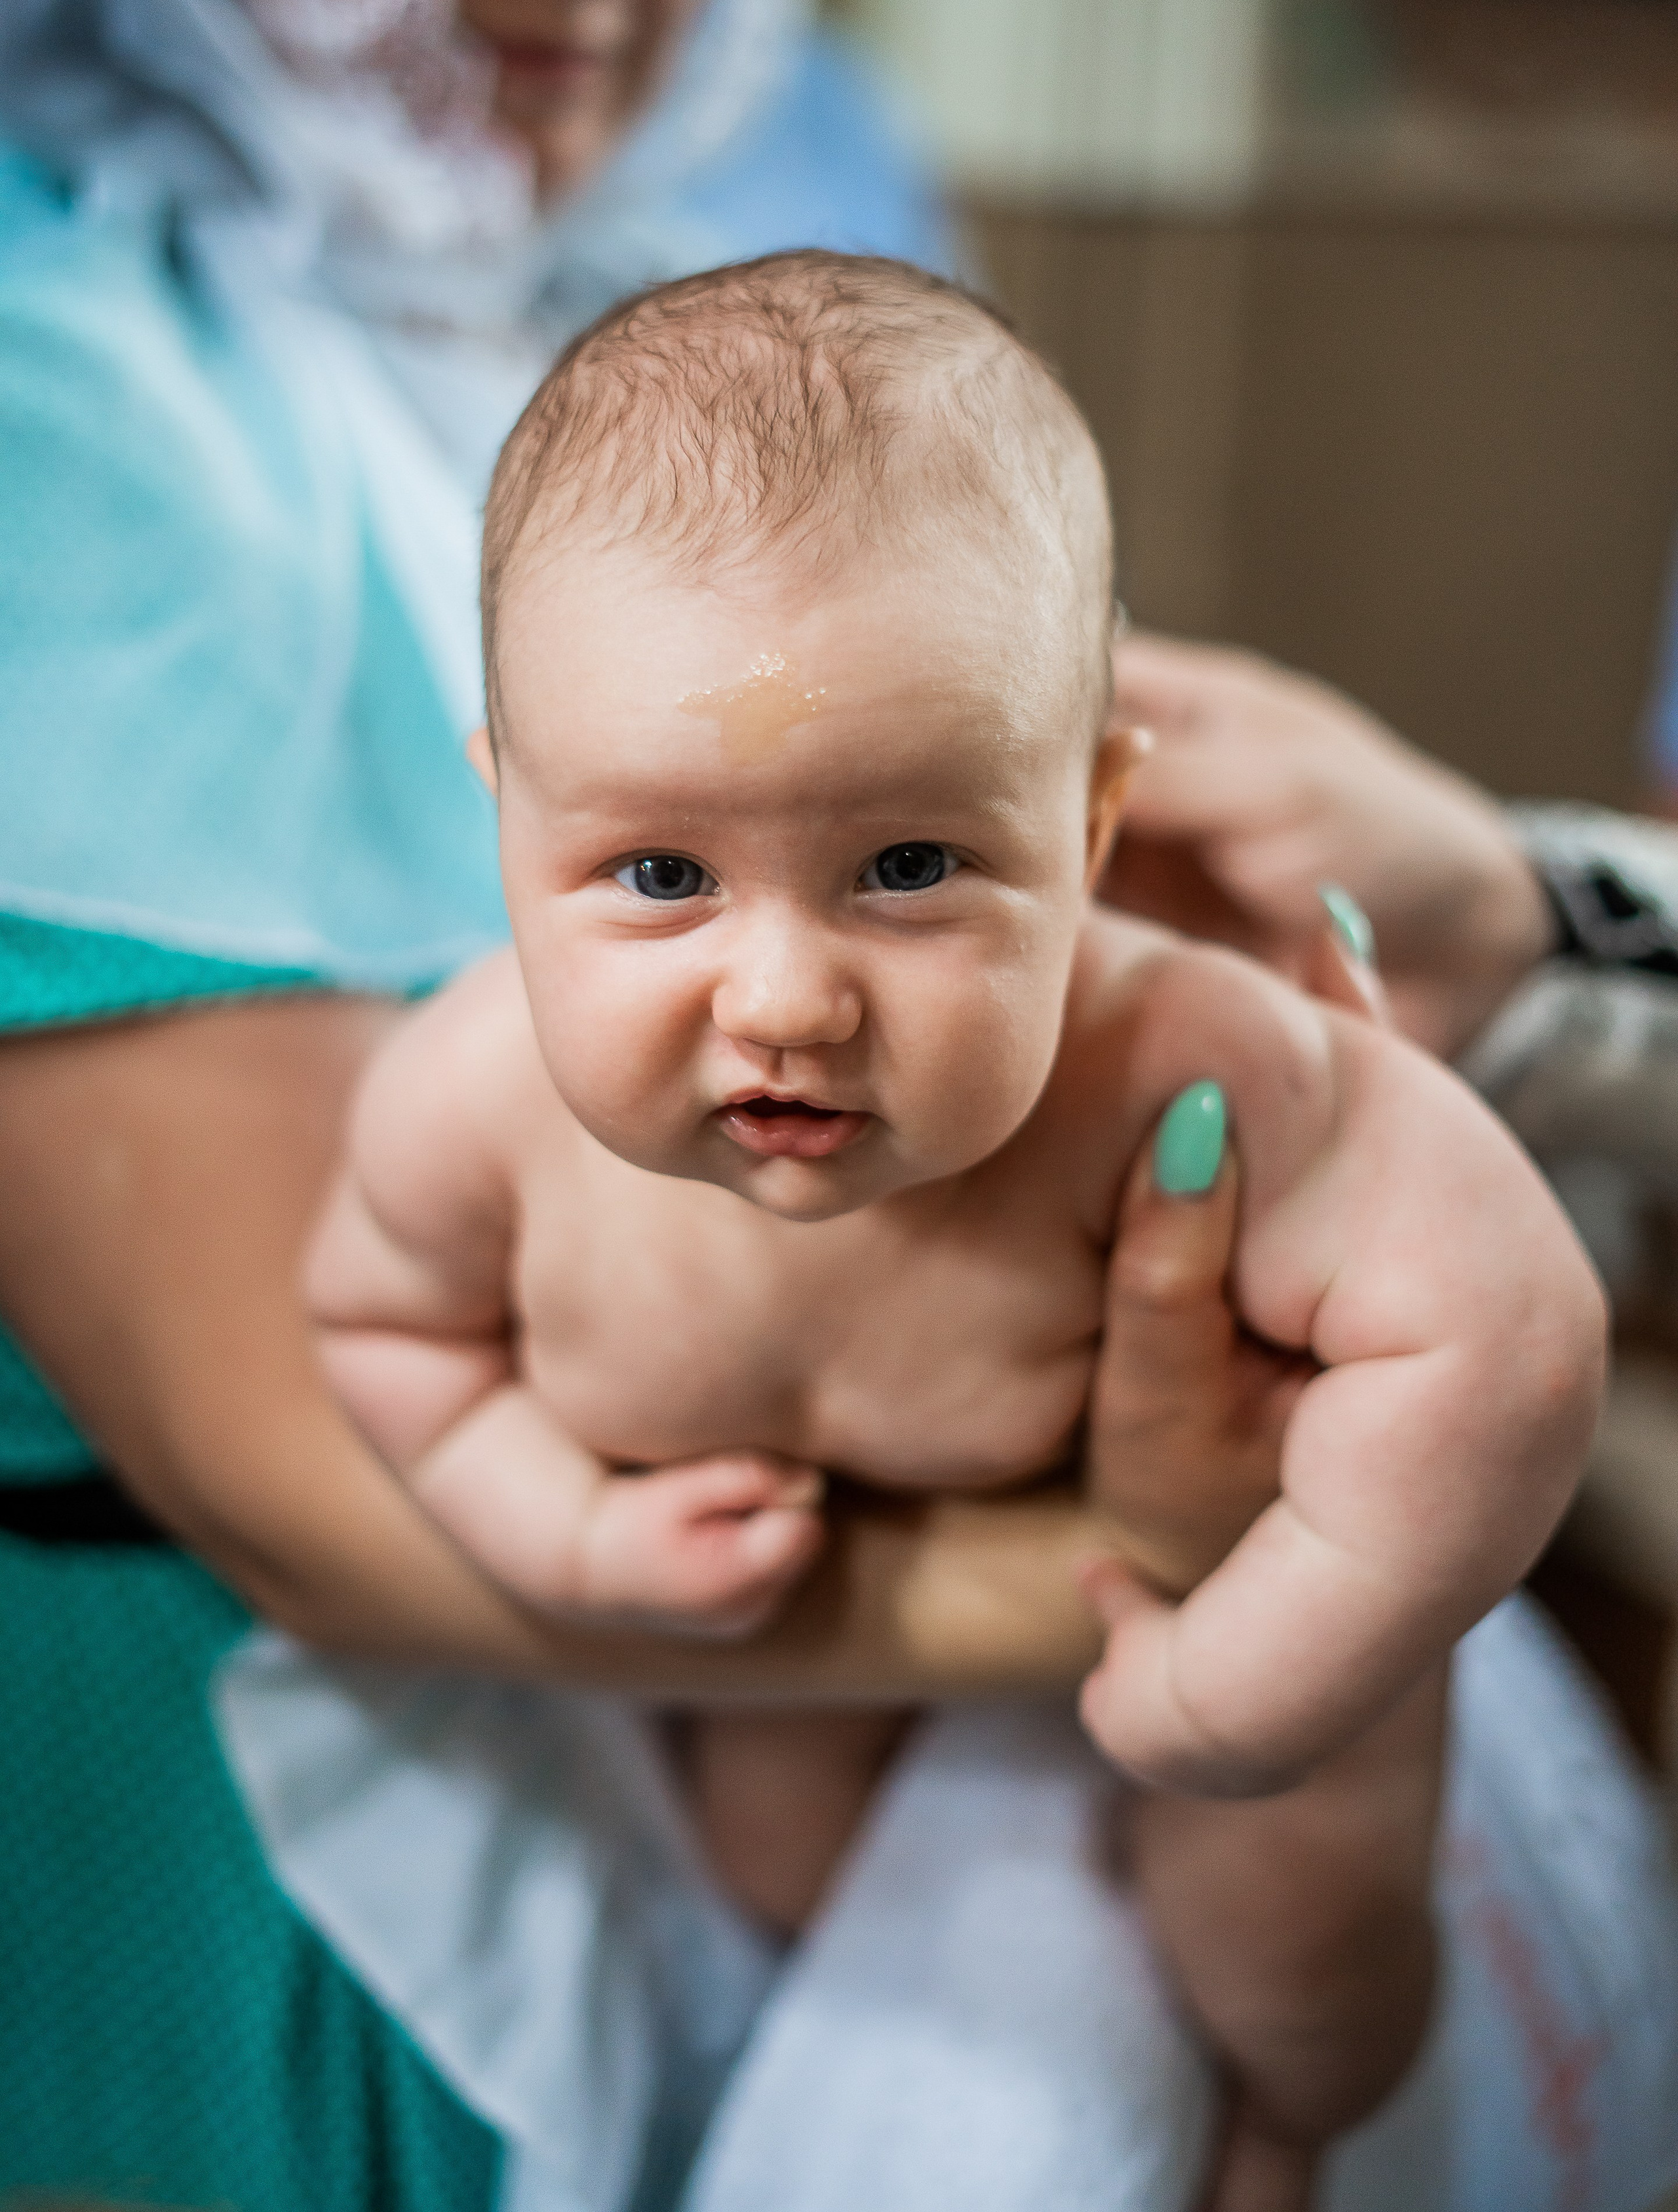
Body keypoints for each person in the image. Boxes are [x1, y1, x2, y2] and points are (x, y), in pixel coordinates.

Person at [299, 254, 1603, 2211]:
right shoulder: (463, 1107)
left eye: (911, 867)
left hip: (1226, 1601)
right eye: (659, 874)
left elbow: (1507, 1330)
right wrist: (554, 1525)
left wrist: (1286, 1643)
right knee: (777, 1889)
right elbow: (387, 1338)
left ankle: (1283, 2130)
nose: (787, 999)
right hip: (829, 1629)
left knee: (1302, 1960)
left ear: (1085, 831)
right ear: (509, 814)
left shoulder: (1184, 1055)